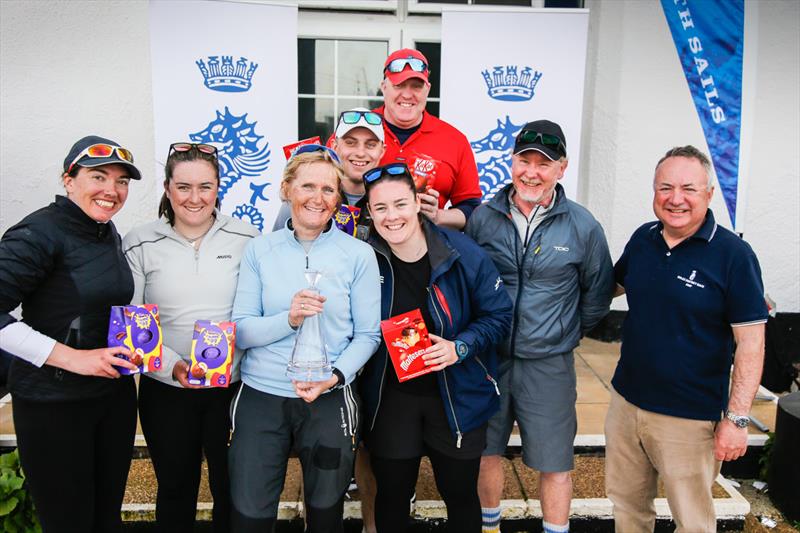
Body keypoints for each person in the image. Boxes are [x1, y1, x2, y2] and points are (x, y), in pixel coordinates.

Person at [605, 145, 768, 533]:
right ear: (653, 192)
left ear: (709, 195)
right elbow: (609, 287)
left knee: (693, 522)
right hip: (626, 405)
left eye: (688, 189)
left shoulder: (734, 256)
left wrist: (736, 420)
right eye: (665, 187)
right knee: (627, 508)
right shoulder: (644, 239)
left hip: (689, 418)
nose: (675, 199)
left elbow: (752, 344)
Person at [467, 121, 615, 533]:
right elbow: (472, 283)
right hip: (490, 358)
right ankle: (490, 527)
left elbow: (597, 295)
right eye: (524, 161)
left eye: (543, 164)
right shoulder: (484, 217)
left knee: (555, 462)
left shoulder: (583, 227)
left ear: (561, 169)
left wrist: (561, 332)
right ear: (511, 162)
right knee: (486, 452)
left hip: (548, 364)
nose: (531, 172)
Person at [229, 145, 381, 532]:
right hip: (262, 394)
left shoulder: (359, 255)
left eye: (329, 190)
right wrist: (290, 319)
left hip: (328, 397)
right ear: (286, 189)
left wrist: (334, 377)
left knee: (326, 514)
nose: (318, 198)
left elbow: (367, 335)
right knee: (250, 515)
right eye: (308, 186)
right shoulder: (259, 250)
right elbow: (242, 329)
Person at [359, 163, 513, 533]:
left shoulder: (463, 253)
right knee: (393, 494)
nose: (392, 216)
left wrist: (460, 347)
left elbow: (500, 315)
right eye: (380, 208)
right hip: (392, 396)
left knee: (459, 492)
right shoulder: (362, 257)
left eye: (400, 204)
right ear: (370, 213)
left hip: (455, 395)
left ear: (417, 203)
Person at [0, 135, 142, 532]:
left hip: (110, 400)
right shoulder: (38, 232)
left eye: (122, 181)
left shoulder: (104, 231)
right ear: (69, 180)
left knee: (105, 519)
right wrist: (72, 357)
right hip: (54, 405)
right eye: (98, 176)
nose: (111, 190)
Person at [122, 142, 259, 532]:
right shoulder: (139, 241)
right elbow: (132, 322)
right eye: (183, 187)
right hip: (165, 388)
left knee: (232, 489)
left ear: (219, 188)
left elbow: (259, 311)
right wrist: (172, 365)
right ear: (167, 188)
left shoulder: (247, 238)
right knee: (176, 488)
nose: (194, 198)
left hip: (232, 388)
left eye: (205, 186)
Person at [376, 48, 482, 230]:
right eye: (398, 85)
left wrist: (439, 215)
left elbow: (472, 209)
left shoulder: (454, 140)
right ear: (383, 87)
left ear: (428, 90)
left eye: (416, 86)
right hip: (362, 244)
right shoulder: (357, 130)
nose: (407, 95)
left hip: (426, 248)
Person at [273, 107, 386, 240]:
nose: (360, 153)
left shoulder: (390, 203)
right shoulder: (301, 199)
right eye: (350, 143)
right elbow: (275, 251)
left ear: (382, 151)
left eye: (370, 145)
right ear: (335, 146)